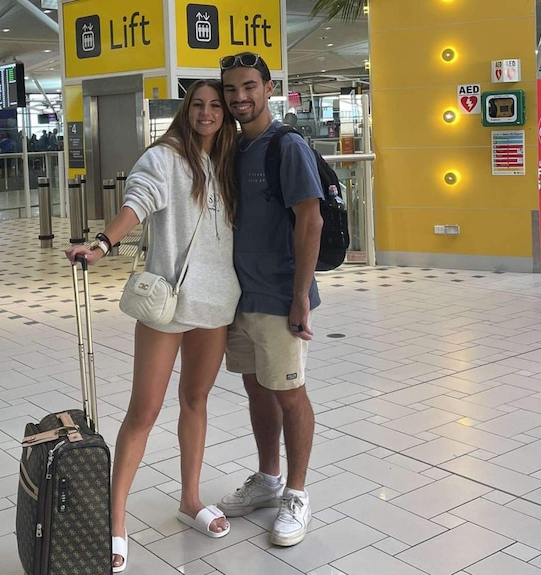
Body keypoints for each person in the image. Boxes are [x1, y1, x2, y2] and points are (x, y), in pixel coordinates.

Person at [65, 79, 240, 572]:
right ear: (186, 110)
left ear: (225, 114)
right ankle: (115, 521)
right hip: (168, 302)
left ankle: (189, 499)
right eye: (198, 105)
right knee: (144, 411)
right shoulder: (163, 158)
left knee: (196, 401)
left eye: (215, 106)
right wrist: (100, 244)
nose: (206, 113)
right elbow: (136, 203)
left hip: (217, 301)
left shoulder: (228, 161)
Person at [218, 52, 323, 547]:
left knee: (288, 392)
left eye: (249, 87)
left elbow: (311, 220)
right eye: (232, 89)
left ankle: (297, 494)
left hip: (279, 295)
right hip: (237, 296)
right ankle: (268, 480)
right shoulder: (232, 149)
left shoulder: (288, 146)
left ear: (268, 87)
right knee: (257, 389)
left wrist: (300, 296)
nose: (240, 97)